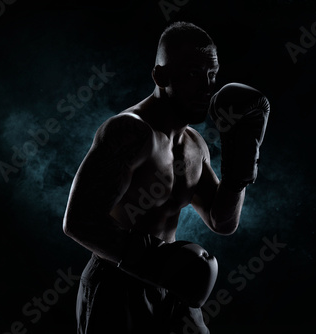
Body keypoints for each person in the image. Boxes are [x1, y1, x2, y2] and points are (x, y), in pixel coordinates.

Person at [63, 21, 270, 334]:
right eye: (192, 74)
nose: (207, 87)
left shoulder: (195, 144)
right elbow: (79, 221)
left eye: (211, 75)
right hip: (120, 283)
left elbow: (223, 222)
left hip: (175, 288)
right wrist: (161, 262)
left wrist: (239, 170)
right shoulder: (129, 132)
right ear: (160, 76)